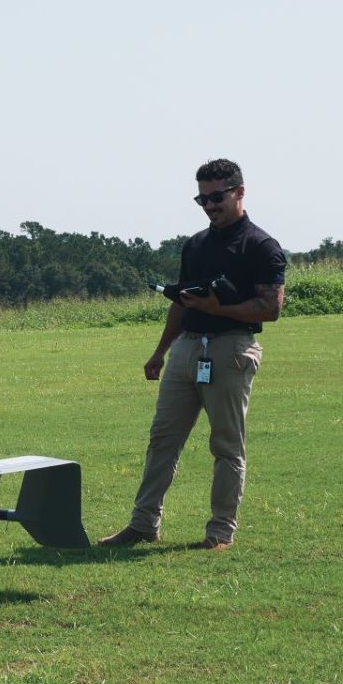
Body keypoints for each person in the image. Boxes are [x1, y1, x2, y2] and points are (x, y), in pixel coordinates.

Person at [100, 158, 286, 551]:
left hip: (232, 348)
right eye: (202, 199)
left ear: (240, 192)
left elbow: (271, 307)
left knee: (226, 444)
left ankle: (220, 532)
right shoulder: (196, 244)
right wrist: (160, 351)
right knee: (162, 439)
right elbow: (181, 304)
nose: (210, 205)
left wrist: (221, 310)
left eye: (217, 197)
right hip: (187, 349)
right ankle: (143, 524)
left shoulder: (261, 245)